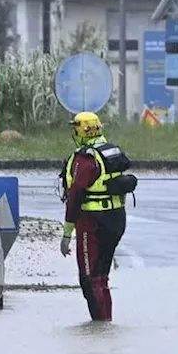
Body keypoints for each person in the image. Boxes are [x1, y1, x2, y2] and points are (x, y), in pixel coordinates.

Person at [58, 111, 138, 321]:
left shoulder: (85, 158)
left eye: (75, 128)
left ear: (81, 131)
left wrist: (67, 234)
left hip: (92, 222)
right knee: (102, 277)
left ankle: (99, 329)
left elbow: (75, 195)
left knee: (89, 279)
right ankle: (106, 325)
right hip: (117, 219)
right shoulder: (111, 151)